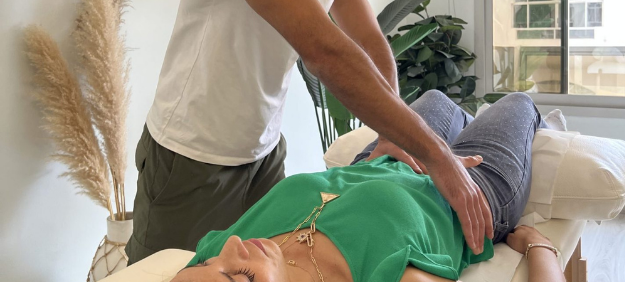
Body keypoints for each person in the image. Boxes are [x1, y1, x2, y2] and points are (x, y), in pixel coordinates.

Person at [126, 0, 492, 264]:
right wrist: (436, 155)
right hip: (191, 156)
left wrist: (391, 134)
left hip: (263, 154)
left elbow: (369, 41)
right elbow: (325, 51)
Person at [170, 91, 566, 282]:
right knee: (517, 102)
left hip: (383, 158)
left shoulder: (215, 261)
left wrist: (413, 148)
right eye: (239, 276)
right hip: (471, 191)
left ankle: (460, 127)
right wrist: (539, 247)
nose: (230, 246)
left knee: (435, 99)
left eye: (205, 264)